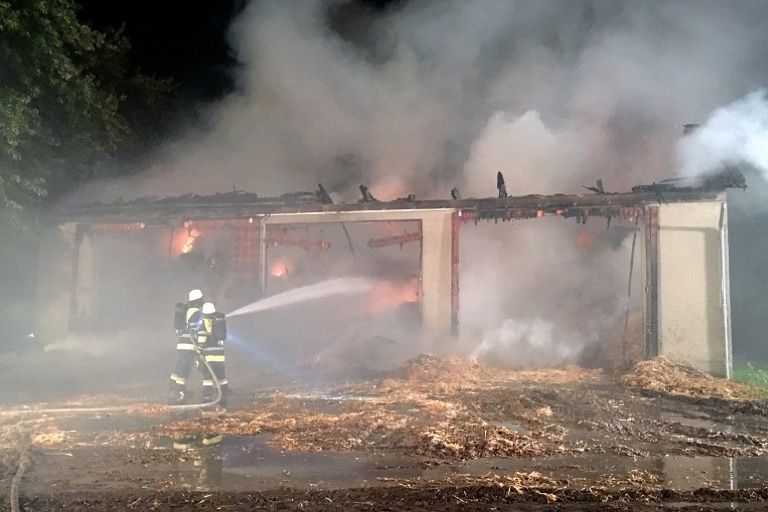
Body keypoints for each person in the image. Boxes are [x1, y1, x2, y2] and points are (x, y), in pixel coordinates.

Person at [188, 302, 228, 410]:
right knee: (221, 377)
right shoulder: (218, 321)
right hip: (219, 354)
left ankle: (207, 397)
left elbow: (201, 338)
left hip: (209, 355)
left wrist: (200, 349)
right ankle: (224, 397)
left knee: (207, 378)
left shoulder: (203, 322)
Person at [168, 289, 205, 403]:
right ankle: (179, 390)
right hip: (189, 343)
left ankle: (172, 385)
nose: (202, 301)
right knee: (185, 367)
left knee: (180, 365)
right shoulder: (195, 311)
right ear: (197, 300)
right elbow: (195, 328)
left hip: (183, 342)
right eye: (201, 299)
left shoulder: (187, 309)